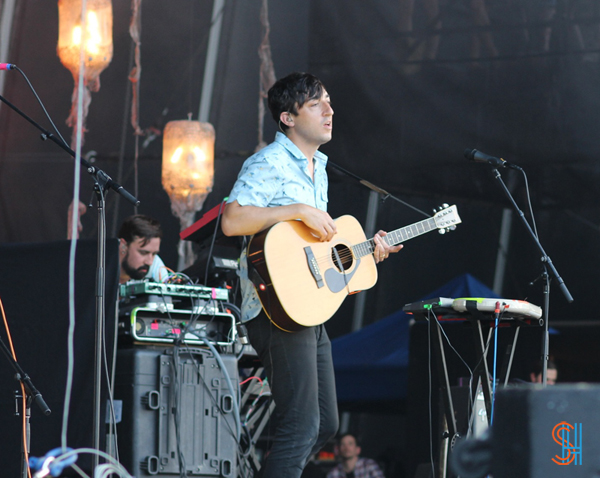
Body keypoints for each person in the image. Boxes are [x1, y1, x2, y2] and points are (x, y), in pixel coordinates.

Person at [221, 72, 402, 478]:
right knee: (301, 424)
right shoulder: (268, 162)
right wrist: (298, 210)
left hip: (307, 307)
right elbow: (233, 220)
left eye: (330, 102)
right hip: (274, 308)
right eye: (317, 103)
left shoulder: (316, 167)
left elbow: (314, 250)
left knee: (325, 424)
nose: (330, 110)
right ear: (287, 117)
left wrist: (367, 253)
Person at [118, 214, 167, 284]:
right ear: (123, 246)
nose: (150, 262)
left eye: (154, 254)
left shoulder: (156, 265)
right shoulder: (101, 263)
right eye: (143, 253)